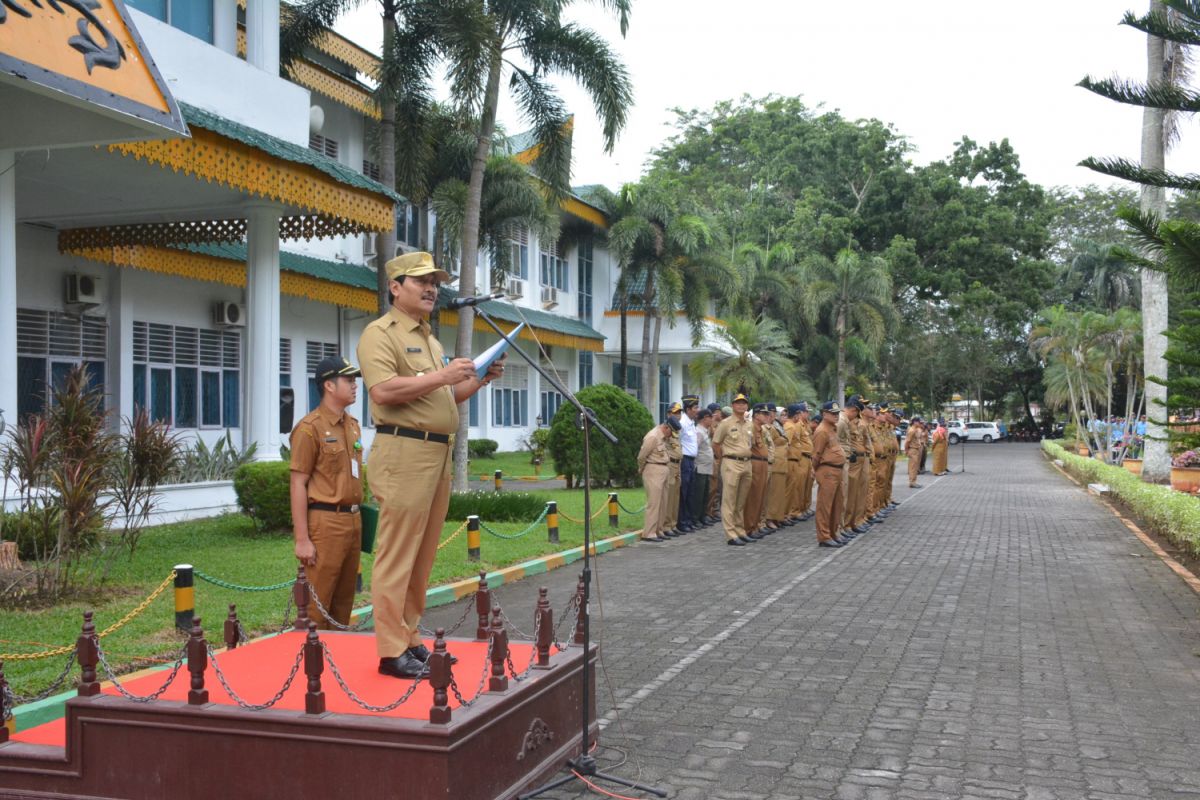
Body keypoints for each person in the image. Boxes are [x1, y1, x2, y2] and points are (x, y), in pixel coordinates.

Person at [357, 251, 502, 679]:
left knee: (421, 557)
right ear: (395, 287)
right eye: (420, 280)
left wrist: (478, 380)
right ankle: (390, 651)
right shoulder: (378, 334)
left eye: (434, 281)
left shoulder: (431, 340)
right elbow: (383, 392)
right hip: (403, 454)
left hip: (435, 454)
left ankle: (410, 638)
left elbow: (442, 397)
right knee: (397, 554)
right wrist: (442, 376)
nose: (431, 287)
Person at [289, 356, 364, 630]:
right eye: (349, 380)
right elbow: (298, 483)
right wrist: (302, 540)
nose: (355, 386)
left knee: (343, 606)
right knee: (316, 607)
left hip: (353, 522)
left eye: (355, 380)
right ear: (329, 386)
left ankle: (335, 664)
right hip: (326, 523)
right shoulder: (310, 429)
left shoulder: (351, 425)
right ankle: (310, 667)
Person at [712, 392, 754, 546]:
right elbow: (716, 443)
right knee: (729, 500)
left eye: (744, 403)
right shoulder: (726, 423)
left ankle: (740, 531)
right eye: (738, 403)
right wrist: (723, 458)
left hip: (747, 463)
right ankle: (730, 534)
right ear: (732, 405)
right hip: (731, 462)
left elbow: (752, 443)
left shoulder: (750, 424)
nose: (741, 405)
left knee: (741, 500)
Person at [637, 417, 680, 543]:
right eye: (670, 432)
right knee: (654, 503)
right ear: (666, 428)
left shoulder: (663, 437)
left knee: (663, 502)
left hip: (664, 468)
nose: (671, 436)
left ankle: (658, 530)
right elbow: (641, 456)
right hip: (653, 468)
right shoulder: (653, 436)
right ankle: (649, 532)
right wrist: (641, 469)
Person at [812, 401, 848, 547]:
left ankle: (833, 533)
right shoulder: (822, 431)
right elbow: (816, 454)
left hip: (837, 470)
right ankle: (824, 536)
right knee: (825, 505)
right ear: (824, 414)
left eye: (837, 413)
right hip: (827, 471)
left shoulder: (832, 429)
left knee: (837, 504)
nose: (836, 416)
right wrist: (813, 470)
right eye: (832, 413)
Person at [837, 395, 869, 538]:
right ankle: (845, 525)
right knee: (848, 494)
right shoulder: (843, 421)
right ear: (854, 409)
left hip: (855, 460)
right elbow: (835, 442)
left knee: (856, 493)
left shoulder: (853, 421)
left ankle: (853, 522)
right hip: (846, 462)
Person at [743, 403, 773, 539]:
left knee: (760, 497)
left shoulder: (760, 429)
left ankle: (755, 525)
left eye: (767, 414)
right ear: (756, 415)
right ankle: (749, 527)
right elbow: (747, 447)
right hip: (755, 463)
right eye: (764, 414)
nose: (767, 416)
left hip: (762, 463)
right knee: (753, 497)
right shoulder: (750, 428)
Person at [784, 402, 813, 523]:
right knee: (797, 487)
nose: (807, 414)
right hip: (798, 458)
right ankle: (793, 511)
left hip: (805, 458)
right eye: (804, 412)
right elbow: (787, 443)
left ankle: (802, 508)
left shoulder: (803, 425)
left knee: (805, 486)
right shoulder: (793, 426)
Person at [677, 395, 701, 531]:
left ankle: (689, 520)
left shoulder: (691, 422)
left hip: (691, 461)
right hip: (685, 461)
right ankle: (682, 522)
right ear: (688, 409)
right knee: (684, 492)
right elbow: (677, 442)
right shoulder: (683, 423)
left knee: (691, 492)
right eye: (695, 407)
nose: (698, 410)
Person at [765, 405, 791, 530]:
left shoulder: (778, 427)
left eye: (775, 413)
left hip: (781, 463)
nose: (773, 416)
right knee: (773, 494)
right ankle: (770, 518)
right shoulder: (769, 427)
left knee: (779, 494)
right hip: (774, 463)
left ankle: (778, 517)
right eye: (782, 414)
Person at [661, 401, 684, 537]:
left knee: (675, 497)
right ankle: (666, 526)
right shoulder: (666, 428)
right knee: (668, 497)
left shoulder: (676, 430)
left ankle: (673, 524)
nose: (678, 415)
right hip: (669, 465)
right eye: (675, 413)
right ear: (669, 414)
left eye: (679, 413)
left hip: (677, 465)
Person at [692, 409, 715, 526]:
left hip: (706, 467)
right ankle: (695, 518)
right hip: (700, 467)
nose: (712, 419)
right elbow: (695, 449)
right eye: (710, 417)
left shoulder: (705, 431)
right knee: (699, 494)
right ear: (704, 418)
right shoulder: (698, 432)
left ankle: (702, 516)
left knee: (705, 493)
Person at [704, 403, 724, 524]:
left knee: (718, 488)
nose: (719, 414)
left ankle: (715, 510)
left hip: (721, 458)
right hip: (713, 458)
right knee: (711, 487)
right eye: (717, 412)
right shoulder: (710, 426)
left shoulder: (721, 425)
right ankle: (708, 511)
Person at [905, 416, 925, 488]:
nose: (920, 423)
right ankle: (912, 482)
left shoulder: (916, 430)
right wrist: (906, 450)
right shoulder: (912, 430)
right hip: (912, 449)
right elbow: (907, 441)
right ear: (915, 422)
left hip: (916, 449)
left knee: (915, 466)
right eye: (919, 422)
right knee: (913, 467)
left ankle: (914, 481)